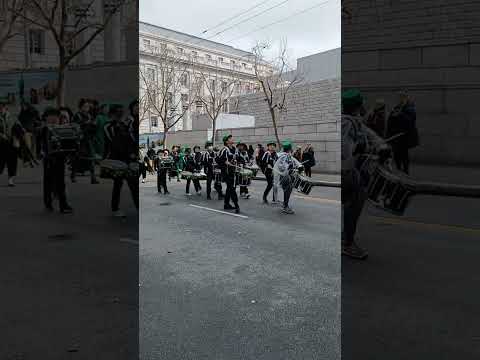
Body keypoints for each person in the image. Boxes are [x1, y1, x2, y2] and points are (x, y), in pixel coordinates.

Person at [342, 89, 390, 260]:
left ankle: (346, 239)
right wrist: (359, 148)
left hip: (351, 171)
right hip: (347, 173)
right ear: (358, 106)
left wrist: (381, 146)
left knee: (352, 206)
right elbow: (344, 148)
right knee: (353, 206)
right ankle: (347, 243)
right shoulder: (346, 123)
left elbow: (371, 135)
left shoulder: (355, 122)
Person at [104, 103, 139, 217]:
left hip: (128, 158)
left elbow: (131, 139)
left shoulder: (126, 125)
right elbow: (112, 140)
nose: (120, 114)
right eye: (117, 112)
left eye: (121, 112)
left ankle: (139, 207)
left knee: (133, 185)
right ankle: (115, 209)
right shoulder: (109, 126)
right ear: (112, 114)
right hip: (117, 159)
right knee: (118, 184)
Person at [40, 107, 73, 213]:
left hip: (59, 158)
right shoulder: (44, 129)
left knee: (60, 182)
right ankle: (48, 203)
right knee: (48, 181)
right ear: (47, 118)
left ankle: (63, 205)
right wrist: (42, 152)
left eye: (56, 117)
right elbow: (41, 144)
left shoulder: (61, 129)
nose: (54, 119)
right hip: (49, 158)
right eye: (51, 117)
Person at [386, 90, 419, 174]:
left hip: (405, 135)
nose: (400, 99)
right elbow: (391, 120)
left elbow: (410, 120)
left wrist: (400, 114)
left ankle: (405, 171)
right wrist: (393, 115)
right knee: (396, 153)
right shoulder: (397, 107)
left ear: (406, 98)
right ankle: (398, 170)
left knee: (404, 154)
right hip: (396, 135)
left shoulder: (410, 107)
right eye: (399, 97)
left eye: (402, 97)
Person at [72, 98, 98, 184]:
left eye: (88, 106)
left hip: (88, 139)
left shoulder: (89, 116)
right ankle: (73, 175)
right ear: (81, 107)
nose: (87, 108)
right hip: (80, 140)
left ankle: (93, 177)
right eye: (85, 106)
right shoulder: (77, 116)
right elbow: (75, 127)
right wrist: (86, 123)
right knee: (77, 158)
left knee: (91, 158)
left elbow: (93, 127)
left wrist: (92, 125)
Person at [273, 141, 303, 214]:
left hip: (279, 176)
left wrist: (297, 166)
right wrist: (292, 167)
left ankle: (285, 205)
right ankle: (285, 207)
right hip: (283, 176)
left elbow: (291, 162)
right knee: (288, 190)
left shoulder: (280, 155)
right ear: (289, 149)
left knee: (287, 190)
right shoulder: (284, 156)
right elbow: (283, 166)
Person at [0, 101, 22, 187]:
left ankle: (10, 180)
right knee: (0, 162)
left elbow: (19, 127)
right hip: (1, 143)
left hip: (12, 143)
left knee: (12, 162)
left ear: (5, 108)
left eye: (1, 108)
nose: (0, 109)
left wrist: (17, 135)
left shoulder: (12, 117)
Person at [217, 134, 240, 213]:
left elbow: (239, 158)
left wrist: (241, 163)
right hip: (226, 172)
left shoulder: (235, 149)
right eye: (230, 138)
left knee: (230, 188)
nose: (232, 139)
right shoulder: (224, 150)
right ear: (227, 142)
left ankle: (226, 204)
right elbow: (218, 159)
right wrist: (225, 162)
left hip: (233, 172)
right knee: (231, 188)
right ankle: (237, 205)